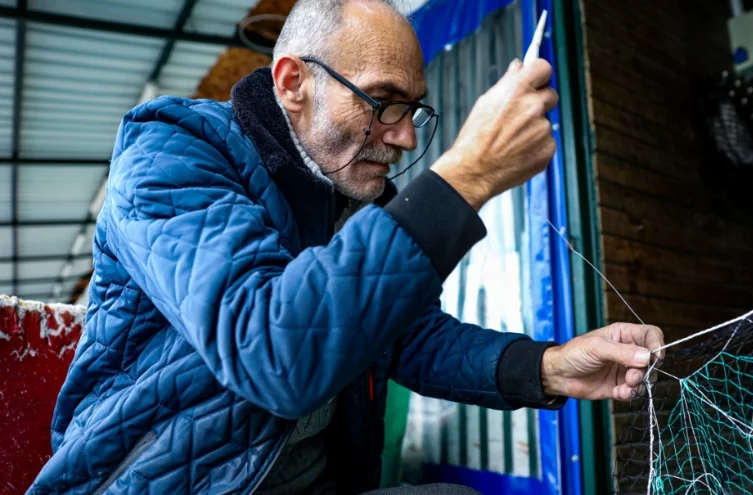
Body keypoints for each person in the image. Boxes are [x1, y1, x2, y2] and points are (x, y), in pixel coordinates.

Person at [28, 1, 664, 494]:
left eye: (414, 111)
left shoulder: (353, 196)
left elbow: (409, 338)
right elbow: (271, 349)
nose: (406, 139)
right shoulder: (171, 153)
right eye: (383, 103)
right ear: (293, 82)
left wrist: (549, 366)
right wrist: (466, 175)